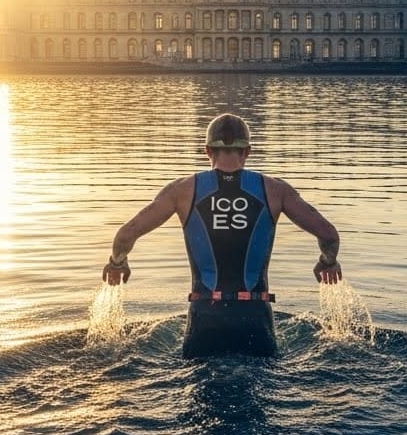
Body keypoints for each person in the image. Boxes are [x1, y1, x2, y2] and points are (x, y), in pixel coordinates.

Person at [101, 113, 343, 359]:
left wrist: (117, 263)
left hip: (205, 316)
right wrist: (327, 262)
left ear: (208, 150)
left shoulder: (182, 190)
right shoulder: (275, 190)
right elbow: (329, 235)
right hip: (255, 317)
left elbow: (125, 236)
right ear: (247, 151)